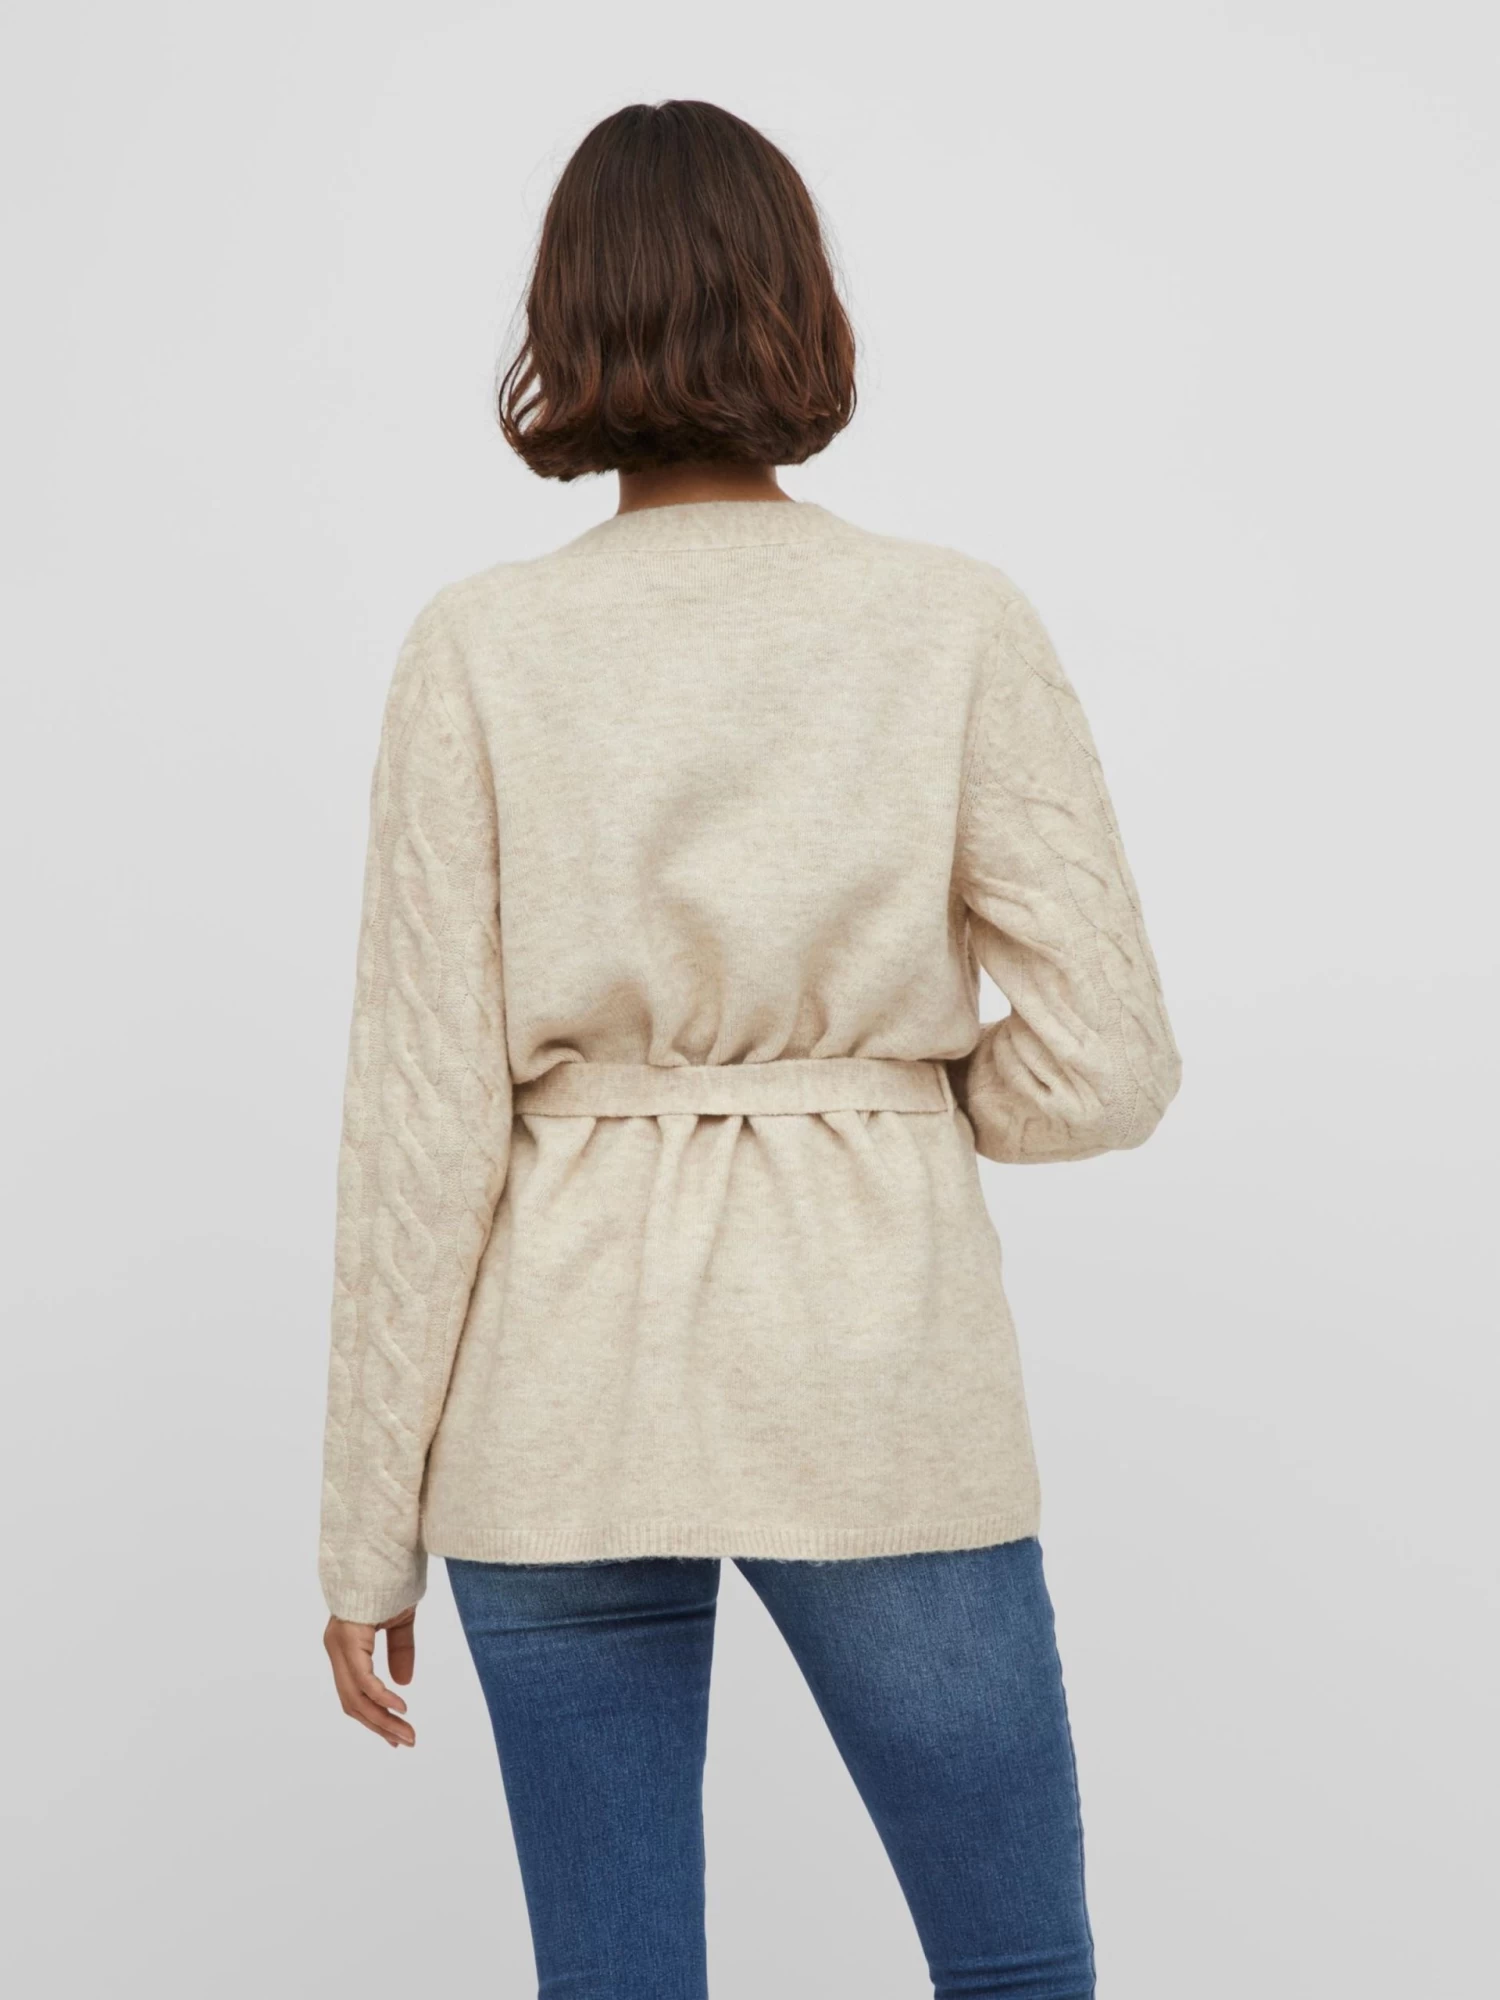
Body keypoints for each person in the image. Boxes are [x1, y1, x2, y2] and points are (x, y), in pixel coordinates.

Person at [317, 98, 1181, 2000]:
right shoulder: (951, 622)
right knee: (1017, 1969)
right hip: (877, 1375)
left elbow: (420, 1128)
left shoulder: (476, 649)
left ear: (566, 323)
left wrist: (363, 1533)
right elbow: (1110, 1056)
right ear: (805, 308)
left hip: (553, 1400)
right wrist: (891, 1101)